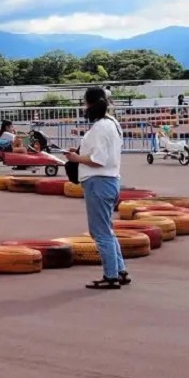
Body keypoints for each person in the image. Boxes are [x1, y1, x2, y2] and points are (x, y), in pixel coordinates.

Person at [63, 87, 127, 290]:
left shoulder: (99, 127)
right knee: (107, 229)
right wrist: (80, 153)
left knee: (100, 232)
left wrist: (75, 158)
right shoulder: (113, 124)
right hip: (110, 181)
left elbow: (97, 160)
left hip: (98, 182)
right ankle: (120, 271)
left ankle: (111, 276)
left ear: (90, 104)